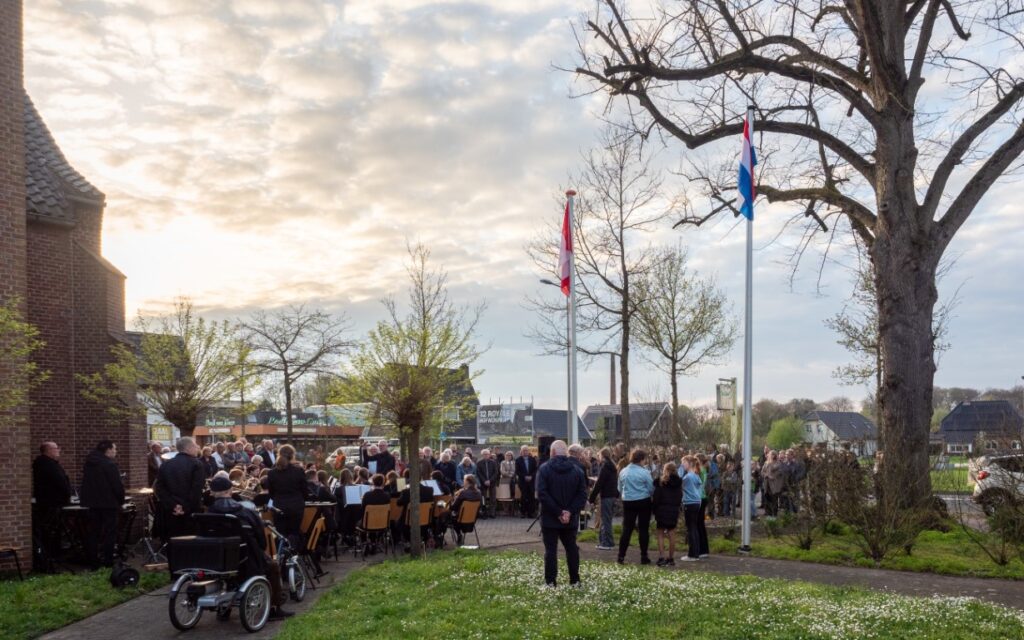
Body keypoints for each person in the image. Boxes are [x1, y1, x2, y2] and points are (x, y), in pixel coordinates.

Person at [206, 476, 293, 620]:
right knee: (273, 566)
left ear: (213, 492)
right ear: (231, 490)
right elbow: (260, 538)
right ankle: (273, 608)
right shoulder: (245, 511)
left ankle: (224, 609)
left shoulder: (208, 513)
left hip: (217, 560)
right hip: (246, 558)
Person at [536, 440, 587, 587]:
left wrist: (558, 512)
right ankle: (575, 580)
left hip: (550, 517)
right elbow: (582, 495)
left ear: (552, 452)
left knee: (551, 550)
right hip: (569, 519)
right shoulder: (577, 470)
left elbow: (542, 494)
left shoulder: (544, 469)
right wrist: (569, 512)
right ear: (566, 452)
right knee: (571, 548)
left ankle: (551, 581)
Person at [79, 440, 125, 568]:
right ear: (108, 450)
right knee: (110, 533)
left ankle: (93, 561)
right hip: (109, 504)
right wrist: (120, 501)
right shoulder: (109, 465)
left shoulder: (89, 463)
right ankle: (108, 561)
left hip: (93, 504)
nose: (116, 452)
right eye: (115, 449)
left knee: (94, 532)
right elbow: (117, 486)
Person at [155, 437, 206, 539]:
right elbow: (196, 489)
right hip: (190, 513)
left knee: (172, 542)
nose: (197, 448)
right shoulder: (197, 464)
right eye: (195, 446)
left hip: (171, 512)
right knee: (188, 544)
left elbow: (159, 488)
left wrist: (173, 505)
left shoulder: (165, 465)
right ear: (189, 448)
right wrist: (184, 507)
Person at [32, 441, 72, 564]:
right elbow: (60, 482)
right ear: (48, 451)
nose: (59, 450)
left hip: (48, 502)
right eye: (56, 448)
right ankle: (52, 556)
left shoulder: (44, 464)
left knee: (51, 530)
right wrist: (67, 494)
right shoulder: (49, 465)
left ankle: (51, 555)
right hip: (52, 503)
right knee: (52, 531)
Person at [617, 449, 654, 565]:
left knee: (627, 529)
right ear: (642, 459)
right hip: (643, 500)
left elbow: (619, 487)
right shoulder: (644, 472)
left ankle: (621, 556)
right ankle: (644, 556)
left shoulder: (623, 471)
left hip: (628, 501)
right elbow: (651, 488)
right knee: (643, 529)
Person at [267, 444, 307, 539]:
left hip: (279, 506)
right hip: (296, 506)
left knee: (280, 534)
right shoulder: (298, 471)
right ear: (292, 455)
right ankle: (293, 552)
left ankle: (281, 553)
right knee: (294, 533)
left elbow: (271, 493)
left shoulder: (271, 473)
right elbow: (305, 490)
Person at [652, 462, 683, 567]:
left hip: (661, 510)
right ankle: (671, 558)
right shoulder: (678, 483)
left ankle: (661, 557)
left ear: (665, 470)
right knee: (672, 534)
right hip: (673, 510)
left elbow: (656, 498)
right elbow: (680, 497)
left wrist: (654, 510)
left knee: (660, 534)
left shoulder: (660, 483)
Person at [588, 447, 618, 551]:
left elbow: (599, 483)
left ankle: (607, 543)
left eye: (599, 455)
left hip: (606, 496)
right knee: (607, 519)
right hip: (612, 495)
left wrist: (591, 498)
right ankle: (607, 542)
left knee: (605, 520)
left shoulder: (605, 467)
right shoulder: (612, 466)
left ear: (602, 455)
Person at [680, 456, 703, 561]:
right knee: (694, 527)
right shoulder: (696, 475)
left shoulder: (688, 477)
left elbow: (679, 482)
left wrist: (680, 471)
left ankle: (692, 554)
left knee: (691, 528)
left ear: (689, 463)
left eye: (683, 463)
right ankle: (696, 552)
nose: (682, 465)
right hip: (696, 503)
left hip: (689, 503)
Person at [449, 474, 482, 546]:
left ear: (467, 482)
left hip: (460, 521)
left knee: (446, 516)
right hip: (472, 521)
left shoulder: (463, 493)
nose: (463, 482)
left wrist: (454, 498)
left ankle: (458, 534)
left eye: (464, 480)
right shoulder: (479, 493)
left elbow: (453, 507)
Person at [515, 444, 538, 518]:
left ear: (528, 451)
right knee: (524, 497)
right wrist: (525, 476)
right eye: (524, 450)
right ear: (521, 451)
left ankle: (531, 513)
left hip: (531, 481)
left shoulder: (532, 459)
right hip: (523, 481)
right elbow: (517, 471)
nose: (525, 452)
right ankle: (523, 512)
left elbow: (536, 470)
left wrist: (531, 476)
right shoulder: (518, 460)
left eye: (526, 450)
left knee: (531, 497)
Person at [475, 449, 499, 518]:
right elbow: (478, 473)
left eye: (487, 454)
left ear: (489, 455)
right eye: (484, 454)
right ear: (482, 455)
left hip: (492, 483)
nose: (486, 455)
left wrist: (490, 480)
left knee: (493, 498)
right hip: (483, 483)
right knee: (483, 499)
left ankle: (492, 513)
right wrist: (484, 481)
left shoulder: (493, 462)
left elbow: (496, 472)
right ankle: (484, 513)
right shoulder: (479, 463)